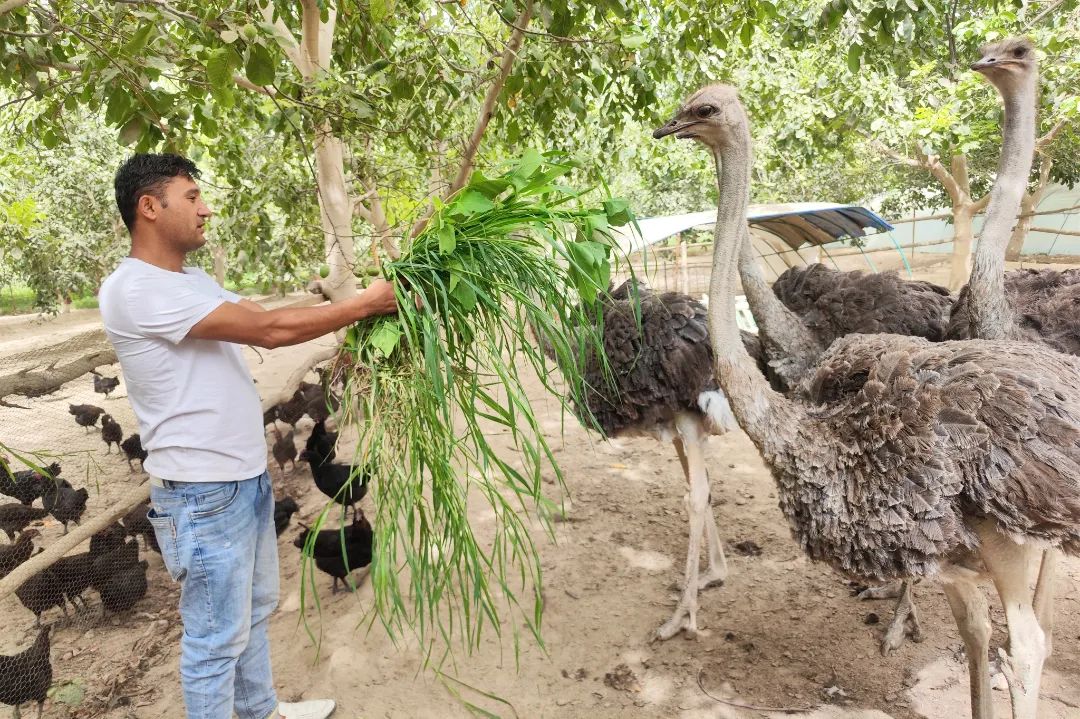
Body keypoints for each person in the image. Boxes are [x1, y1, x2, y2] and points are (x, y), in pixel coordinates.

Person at [99, 154, 398, 719]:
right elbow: (269, 330)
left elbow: (258, 313)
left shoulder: (188, 279)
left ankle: (259, 710)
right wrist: (366, 305)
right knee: (215, 642)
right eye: (191, 197)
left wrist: (347, 302)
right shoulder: (135, 289)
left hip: (240, 480)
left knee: (254, 610)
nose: (205, 207)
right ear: (149, 207)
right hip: (202, 493)